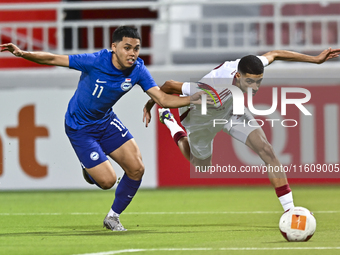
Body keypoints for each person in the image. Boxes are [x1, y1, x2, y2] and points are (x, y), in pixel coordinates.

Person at [0, 26, 202, 231]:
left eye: (137, 48)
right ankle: (89, 171)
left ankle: (113, 217)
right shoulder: (96, 61)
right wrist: (23, 53)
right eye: (127, 47)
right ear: (114, 47)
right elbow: (54, 59)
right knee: (107, 181)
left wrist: (192, 99)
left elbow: (162, 98)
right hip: (79, 127)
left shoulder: (138, 69)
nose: (132, 53)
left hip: (105, 122)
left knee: (137, 168)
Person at [143, 48, 340, 212]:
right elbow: (169, 86)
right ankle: (170, 123)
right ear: (238, 76)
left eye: (259, 81)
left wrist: (315, 59)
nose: (255, 87)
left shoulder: (248, 67)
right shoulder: (212, 87)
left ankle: (290, 211)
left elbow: (275, 54)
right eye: (250, 82)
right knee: (202, 165)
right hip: (200, 119)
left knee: (267, 150)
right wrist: (150, 104)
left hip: (231, 109)